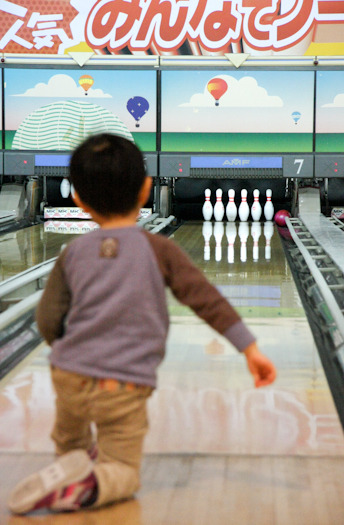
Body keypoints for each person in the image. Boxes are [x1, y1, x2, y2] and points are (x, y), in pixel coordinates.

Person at [8, 133, 276, 514]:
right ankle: (89, 485)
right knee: (123, 469)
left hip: (69, 374)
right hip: (124, 381)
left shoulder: (73, 252)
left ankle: (71, 461)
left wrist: (69, 351)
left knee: (71, 441)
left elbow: (47, 318)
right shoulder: (159, 249)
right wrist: (248, 346)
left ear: (78, 199)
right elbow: (205, 299)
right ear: (147, 188)